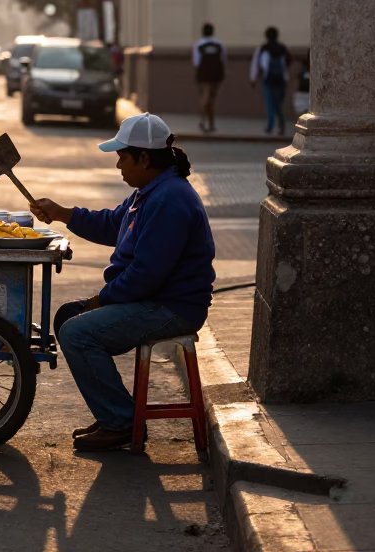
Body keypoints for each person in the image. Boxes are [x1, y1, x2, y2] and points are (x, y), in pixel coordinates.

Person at [32, 112, 215, 452]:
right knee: (67, 319)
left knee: (76, 332)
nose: (118, 165)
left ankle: (120, 422)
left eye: (122, 156)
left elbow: (145, 276)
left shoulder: (168, 199)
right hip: (154, 298)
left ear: (144, 158)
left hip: (172, 307)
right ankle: (113, 414)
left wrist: (101, 299)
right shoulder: (147, 192)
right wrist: (62, 213)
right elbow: (110, 224)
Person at [250, 26, 292, 136]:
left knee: (269, 103)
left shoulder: (262, 48)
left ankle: (270, 126)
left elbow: (256, 64)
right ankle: (281, 123)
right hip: (281, 79)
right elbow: (288, 62)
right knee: (278, 103)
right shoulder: (283, 48)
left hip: (267, 79)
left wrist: (253, 78)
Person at [192, 23, 226, 133]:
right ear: (212, 32)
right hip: (216, 74)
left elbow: (196, 62)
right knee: (213, 99)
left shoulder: (199, 45)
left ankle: (202, 119)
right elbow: (223, 59)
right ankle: (211, 123)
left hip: (203, 74)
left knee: (204, 97)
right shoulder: (219, 44)